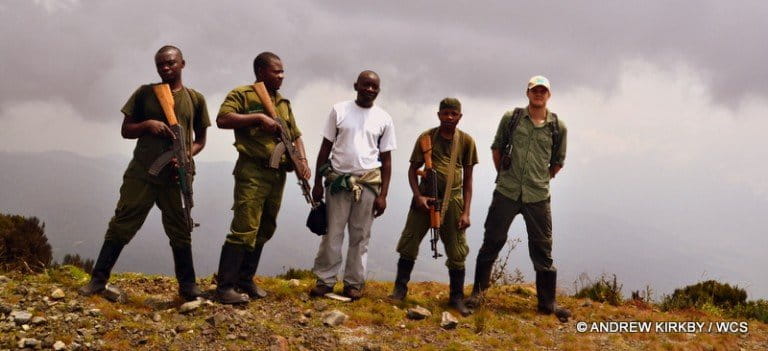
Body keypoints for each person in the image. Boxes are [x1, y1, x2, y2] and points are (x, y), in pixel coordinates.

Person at [79, 45, 210, 302]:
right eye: (160, 64)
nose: (165, 68)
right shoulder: (144, 94)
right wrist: (147, 125)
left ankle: (188, 286)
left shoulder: (195, 99)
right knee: (122, 223)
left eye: (171, 63)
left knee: (181, 229)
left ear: (183, 64)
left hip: (176, 177)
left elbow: (201, 139)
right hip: (143, 173)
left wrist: (185, 157)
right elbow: (126, 130)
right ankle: (98, 280)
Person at [465, 75, 571, 322]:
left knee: (543, 249)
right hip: (507, 192)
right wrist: (504, 175)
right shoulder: (511, 119)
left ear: (549, 95)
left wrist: (541, 179)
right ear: (528, 93)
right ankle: (477, 295)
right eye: (535, 90)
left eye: (543, 90)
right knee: (492, 240)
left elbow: (558, 162)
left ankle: (547, 303)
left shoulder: (558, 127)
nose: (539, 94)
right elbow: (497, 148)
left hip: (538, 196)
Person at [214, 52, 311, 304]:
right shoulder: (243, 95)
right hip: (252, 172)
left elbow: (296, 136)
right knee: (244, 227)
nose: (282, 76)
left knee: (265, 227)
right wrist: (257, 118)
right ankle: (225, 287)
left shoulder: (282, 103)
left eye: (282, 71)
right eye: (276, 71)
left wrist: (302, 162)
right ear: (260, 72)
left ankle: (245, 280)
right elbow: (223, 119)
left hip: (277, 174)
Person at [309, 70, 396, 300]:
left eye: (374, 87)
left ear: (378, 90)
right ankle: (325, 281)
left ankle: (353, 284)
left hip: (368, 184)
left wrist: (383, 194)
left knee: (360, 236)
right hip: (338, 181)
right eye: (365, 85)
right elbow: (325, 148)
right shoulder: (339, 110)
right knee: (332, 233)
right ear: (356, 85)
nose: (369, 89)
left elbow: (386, 160)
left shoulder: (384, 118)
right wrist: (317, 183)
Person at [389, 98, 477, 316]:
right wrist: (418, 196)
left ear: (459, 117)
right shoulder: (426, 138)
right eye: (445, 113)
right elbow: (412, 170)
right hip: (424, 200)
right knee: (409, 243)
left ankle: (456, 298)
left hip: (453, 201)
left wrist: (466, 212)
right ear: (438, 115)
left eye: (453, 114)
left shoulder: (466, 142)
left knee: (457, 250)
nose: (449, 117)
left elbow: (468, 181)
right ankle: (400, 290)